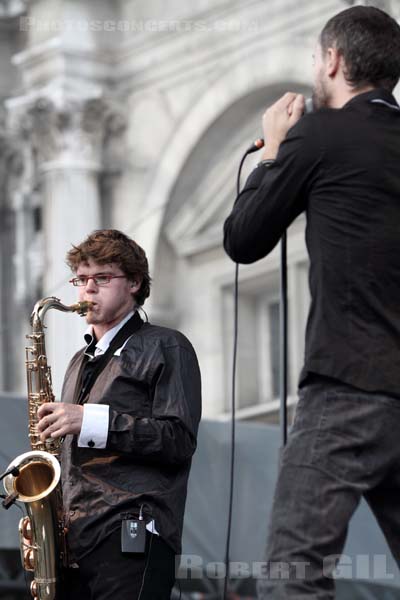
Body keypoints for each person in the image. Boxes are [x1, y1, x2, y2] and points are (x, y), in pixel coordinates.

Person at [224, 5, 400, 598]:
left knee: (291, 576)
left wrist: (273, 148)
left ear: (333, 59)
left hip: (347, 388)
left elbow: (244, 239)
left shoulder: (321, 133)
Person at [37, 229, 202, 600]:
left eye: (102, 278)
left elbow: (178, 439)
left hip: (132, 532)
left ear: (134, 283)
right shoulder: (79, 361)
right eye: (81, 279)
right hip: (74, 542)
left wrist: (90, 421)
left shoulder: (167, 344)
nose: (87, 290)